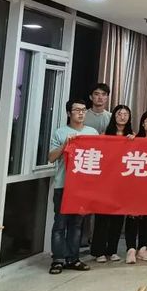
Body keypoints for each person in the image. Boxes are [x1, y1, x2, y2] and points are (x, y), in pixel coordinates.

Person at [48, 98, 98, 274]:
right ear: (69, 113)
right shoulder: (60, 132)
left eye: (83, 110)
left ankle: (73, 259)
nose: (81, 113)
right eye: (77, 110)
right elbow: (51, 157)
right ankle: (58, 259)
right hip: (63, 185)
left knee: (77, 225)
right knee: (60, 224)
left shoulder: (92, 133)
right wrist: (65, 145)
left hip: (82, 187)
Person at [91, 105, 132, 263]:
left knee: (118, 218)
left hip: (123, 184)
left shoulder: (132, 137)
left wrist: (133, 141)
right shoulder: (105, 135)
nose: (122, 116)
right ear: (114, 116)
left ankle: (112, 250)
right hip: (105, 182)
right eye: (119, 114)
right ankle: (99, 251)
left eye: (126, 114)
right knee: (102, 218)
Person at [124, 110, 147, 264]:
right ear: (142, 124)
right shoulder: (134, 139)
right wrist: (129, 141)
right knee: (132, 216)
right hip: (135, 184)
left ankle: (143, 248)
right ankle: (130, 249)